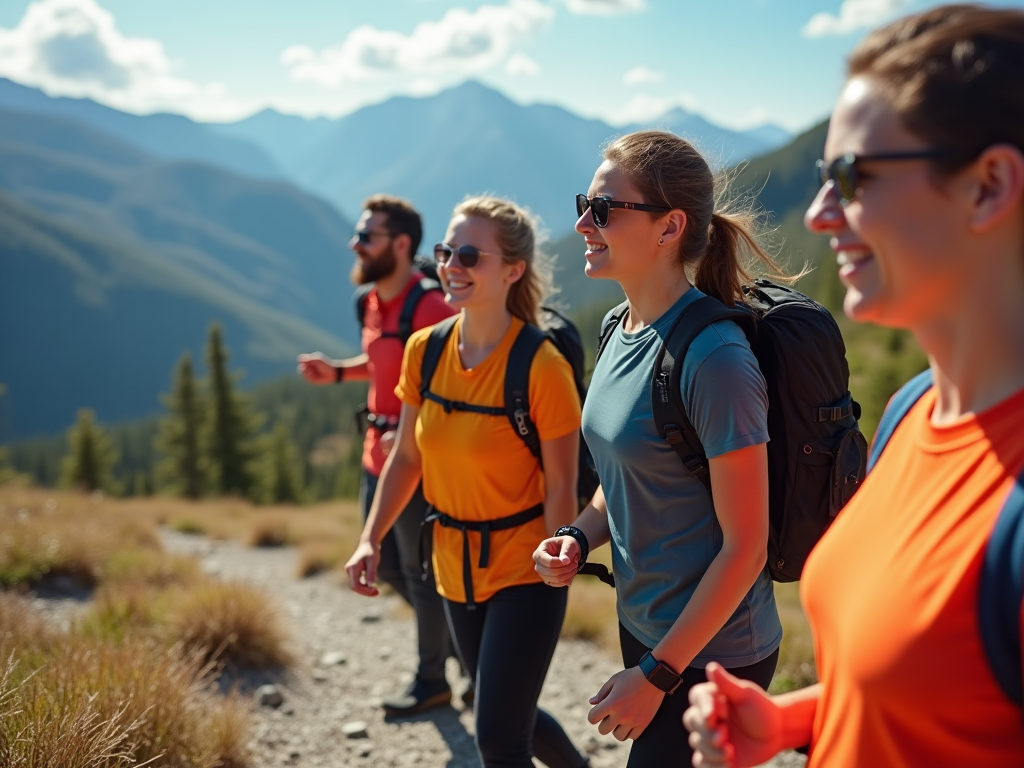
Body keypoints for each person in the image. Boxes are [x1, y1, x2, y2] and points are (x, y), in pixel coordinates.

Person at [684, 5, 1024, 767]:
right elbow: (935, 686)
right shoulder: (912, 411)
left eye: (851, 177)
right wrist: (794, 723)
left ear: (990, 185)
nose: (818, 213)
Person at [533, 130, 785, 767]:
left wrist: (657, 676)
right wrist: (579, 533)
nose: (583, 223)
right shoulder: (621, 327)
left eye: (604, 210)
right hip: (648, 626)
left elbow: (746, 545)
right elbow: (626, 473)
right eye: (583, 204)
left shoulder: (716, 361)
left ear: (670, 227)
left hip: (714, 653)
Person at [345, 196, 590, 768]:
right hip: (453, 564)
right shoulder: (424, 351)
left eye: (470, 255)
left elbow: (562, 485)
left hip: (524, 570)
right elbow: (406, 458)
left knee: (498, 741)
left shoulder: (541, 366)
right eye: (447, 251)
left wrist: (558, 564)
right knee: (506, 713)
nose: (452, 264)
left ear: (512, 270)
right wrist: (370, 537)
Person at [297, 194, 459, 716]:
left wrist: (418, 437)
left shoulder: (432, 306)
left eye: (367, 236)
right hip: (375, 457)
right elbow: (385, 362)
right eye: (359, 234)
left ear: (402, 244)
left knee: (417, 571)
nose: (355, 244)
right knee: (386, 564)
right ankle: (461, 647)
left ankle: (433, 677)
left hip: (414, 460)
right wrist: (340, 372)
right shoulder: (367, 302)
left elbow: (460, 378)